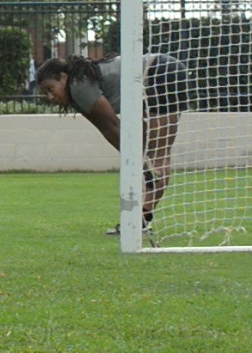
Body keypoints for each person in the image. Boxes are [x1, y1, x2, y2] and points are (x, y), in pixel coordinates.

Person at [35, 52, 191, 234]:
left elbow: (113, 126)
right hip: (158, 75)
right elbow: (107, 129)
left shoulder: (78, 86)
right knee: (151, 156)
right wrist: (140, 162)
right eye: (46, 93)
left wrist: (141, 164)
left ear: (63, 78)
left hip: (160, 72)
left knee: (157, 156)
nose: (50, 97)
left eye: (50, 89)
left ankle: (138, 222)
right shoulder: (76, 93)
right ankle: (139, 221)